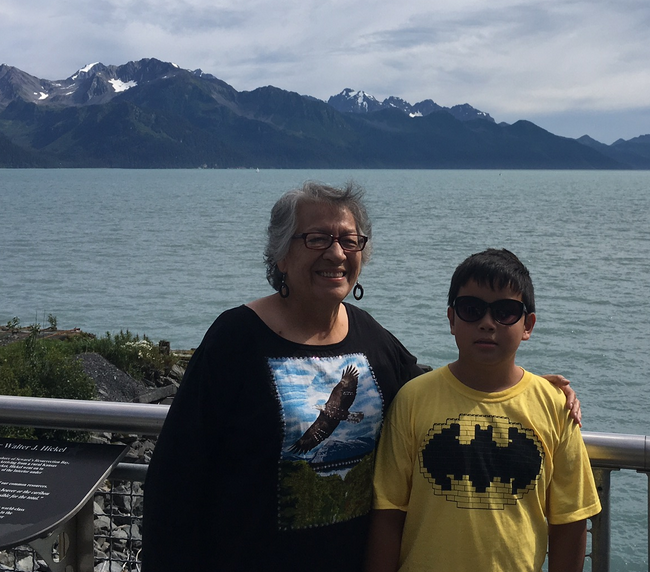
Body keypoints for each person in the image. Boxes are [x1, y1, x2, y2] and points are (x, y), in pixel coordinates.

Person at [142, 184, 581, 572]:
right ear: (281, 253)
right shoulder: (236, 338)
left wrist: (527, 387)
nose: (335, 253)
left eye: (349, 241)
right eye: (316, 238)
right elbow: (175, 477)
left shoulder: (369, 337)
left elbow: (438, 388)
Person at [366, 248, 601, 572]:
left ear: (527, 324)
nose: (487, 323)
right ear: (452, 319)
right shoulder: (413, 401)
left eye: (505, 312)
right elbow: (389, 512)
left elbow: (570, 518)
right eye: (472, 309)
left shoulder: (553, 406)